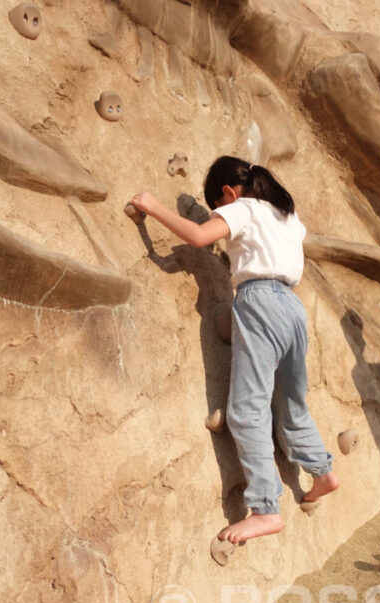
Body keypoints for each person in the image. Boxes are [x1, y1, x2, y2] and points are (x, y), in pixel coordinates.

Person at [129, 156, 338, 549]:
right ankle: (322, 472)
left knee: (245, 410)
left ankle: (264, 509)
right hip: (293, 308)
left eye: (217, 208)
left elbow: (198, 236)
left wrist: (153, 207)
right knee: (291, 402)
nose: (219, 218)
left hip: (258, 301)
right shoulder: (286, 216)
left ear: (228, 192)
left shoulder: (242, 207)